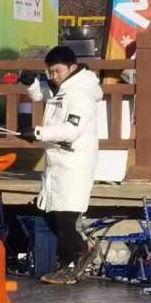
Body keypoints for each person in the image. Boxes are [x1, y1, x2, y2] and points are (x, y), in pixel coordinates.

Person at [25, 45, 103, 285]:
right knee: (51, 214)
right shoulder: (65, 87)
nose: (53, 76)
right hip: (58, 162)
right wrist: (30, 83)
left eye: (57, 71)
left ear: (71, 67)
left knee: (65, 218)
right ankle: (85, 249)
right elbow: (43, 95)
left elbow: (73, 129)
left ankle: (68, 265)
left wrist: (39, 132)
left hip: (74, 162)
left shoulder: (81, 93)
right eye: (50, 72)